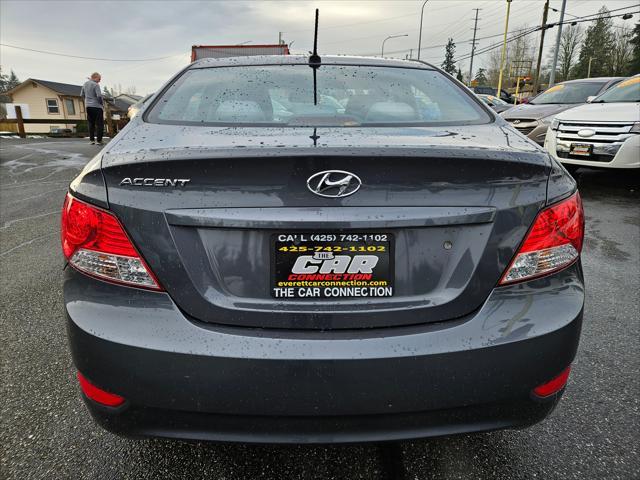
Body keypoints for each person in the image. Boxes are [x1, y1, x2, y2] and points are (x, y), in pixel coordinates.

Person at [80, 72, 104, 145]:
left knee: (91, 123)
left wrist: (87, 101)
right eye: (99, 79)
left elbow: (82, 95)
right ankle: (99, 141)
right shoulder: (96, 85)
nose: (100, 80)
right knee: (99, 124)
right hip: (97, 107)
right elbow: (99, 96)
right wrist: (101, 104)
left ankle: (91, 140)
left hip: (88, 107)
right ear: (95, 77)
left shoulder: (85, 84)